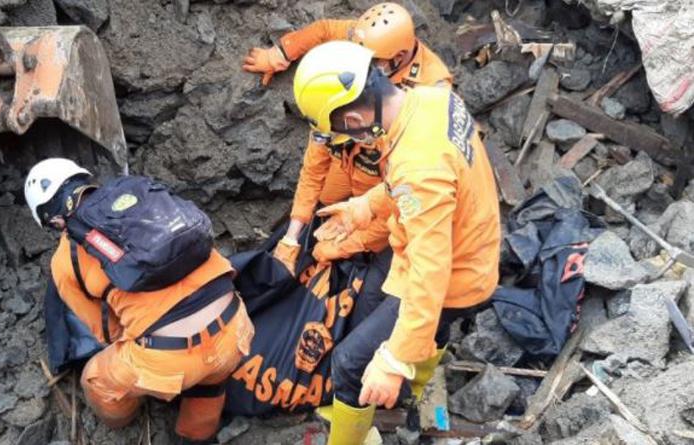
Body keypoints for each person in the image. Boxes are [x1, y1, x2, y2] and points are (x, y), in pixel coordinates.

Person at [292, 41, 501, 444]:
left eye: (339, 133)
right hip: (469, 245)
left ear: (354, 117)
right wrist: (364, 207)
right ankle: (408, 389)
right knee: (375, 302)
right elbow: (426, 183)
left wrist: (394, 359)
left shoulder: (418, 170)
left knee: (351, 362)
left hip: (454, 278)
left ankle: (353, 433)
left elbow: (430, 275)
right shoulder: (430, 99)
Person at [25, 158, 254, 444]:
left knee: (96, 383)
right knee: (211, 380)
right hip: (236, 329)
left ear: (53, 220)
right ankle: (198, 436)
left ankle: (127, 424)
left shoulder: (66, 258)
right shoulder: (140, 195)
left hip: (170, 361)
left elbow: (107, 332)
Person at [242, 3, 453, 275]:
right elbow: (315, 160)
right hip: (348, 157)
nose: (362, 68)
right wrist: (292, 235)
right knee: (327, 200)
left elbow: (405, 195)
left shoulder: (429, 95)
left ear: (398, 57)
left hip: (384, 173)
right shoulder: (360, 45)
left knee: (375, 235)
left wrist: (352, 244)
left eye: (372, 65)